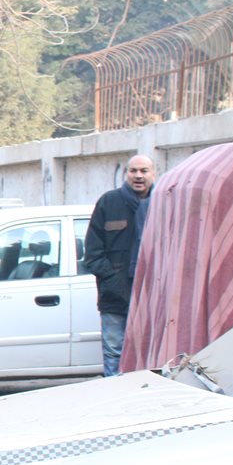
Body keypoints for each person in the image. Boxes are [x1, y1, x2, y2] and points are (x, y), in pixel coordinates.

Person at [84, 154, 155, 376]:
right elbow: (93, 255)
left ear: (153, 173)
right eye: (133, 171)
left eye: (144, 171)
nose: (138, 176)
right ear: (126, 174)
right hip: (115, 298)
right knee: (114, 351)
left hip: (153, 295)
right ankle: (115, 391)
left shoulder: (163, 203)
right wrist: (114, 281)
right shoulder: (109, 202)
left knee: (151, 352)